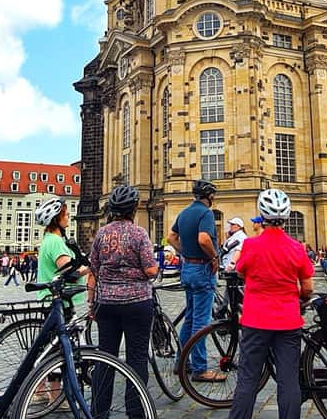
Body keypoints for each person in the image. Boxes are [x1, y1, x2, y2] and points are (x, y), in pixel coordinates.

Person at [228, 189, 313, 419]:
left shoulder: (251, 246)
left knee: (247, 379)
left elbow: (242, 272)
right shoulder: (297, 248)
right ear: (286, 218)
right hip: (288, 322)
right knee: (288, 380)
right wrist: (300, 297)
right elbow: (307, 288)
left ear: (261, 217)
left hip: (255, 320)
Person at [87, 185, 159, 418]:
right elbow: (150, 269)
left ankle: (99, 412)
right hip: (137, 303)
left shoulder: (101, 233)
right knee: (136, 358)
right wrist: (155, 269)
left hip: (106, 304)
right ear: (134, 209)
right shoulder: (139, 234)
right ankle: (136, 412)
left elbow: (93, 272)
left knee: (105, 357)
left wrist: (91, 304)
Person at [167, 179, 225, 383]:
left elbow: (171, 237)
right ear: (209, 196)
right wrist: (214, 257)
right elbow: (204, 239)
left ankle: (181, 361)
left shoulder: (184, 212)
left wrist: (185, 252)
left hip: (188, 269)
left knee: (190, 318)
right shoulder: (206, 213)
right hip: (202, 269)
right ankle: (200, 368)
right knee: (202, 321)